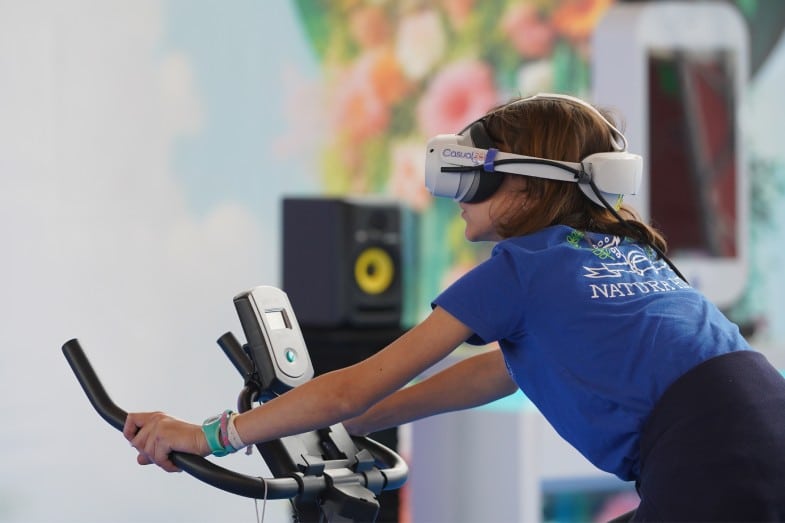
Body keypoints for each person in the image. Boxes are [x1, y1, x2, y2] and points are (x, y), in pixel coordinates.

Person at [124, 93, 785, 521]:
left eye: (472, 177)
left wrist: (210, 435)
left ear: (526, 186)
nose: (458, 197)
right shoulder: (609, 248)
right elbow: (499, 371)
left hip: (709, 458)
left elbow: (351, 386)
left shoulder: (518, 269)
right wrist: (358, 425)